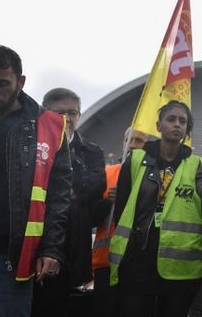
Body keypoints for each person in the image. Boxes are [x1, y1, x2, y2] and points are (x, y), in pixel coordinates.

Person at [0, 45, 71, 316]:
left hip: (12, 260)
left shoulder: (49, 127)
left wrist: (51, 248)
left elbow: (58, 196)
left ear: (21, 81)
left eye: (2, 84)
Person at [110, 100, 202, 317]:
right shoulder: (136, 159)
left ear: (187, 129)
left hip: (181, 268)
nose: (177, 124)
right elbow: (121, 211)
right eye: (171, 119)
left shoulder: (198, 165)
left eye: (183, 121)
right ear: (159, 126)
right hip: (137, 262)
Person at [31, 88, 106, 316]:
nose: (67, 118)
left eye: (72, 112)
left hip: (73, 245)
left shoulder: (92, 151)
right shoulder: (32, 146)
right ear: (45, 114)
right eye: (60, 112)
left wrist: (58, 186)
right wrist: (69, 190)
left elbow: (95, 185)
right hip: (35, 242)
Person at [91, 127, 147, 317]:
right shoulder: (107, 174)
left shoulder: (152, 178)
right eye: (128, 140)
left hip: (137, 265)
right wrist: (108, 203)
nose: (132, 145)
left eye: (138, 140)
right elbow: (89, 216)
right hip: (105, 263)